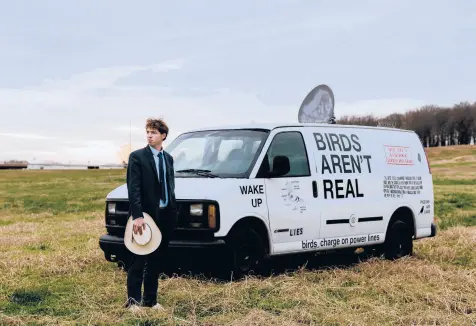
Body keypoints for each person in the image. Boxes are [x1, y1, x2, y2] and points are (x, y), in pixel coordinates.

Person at [124, 117, 177, 311]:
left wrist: (173, 212)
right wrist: (137, 216)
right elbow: (134, 189)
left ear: (163, 136)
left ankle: (150, 301)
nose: (149, 135)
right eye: (147, 132)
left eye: (153, 132)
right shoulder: (137, 157)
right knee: (139, 258)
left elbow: (170, 187)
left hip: (165, 215)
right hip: (144, 216)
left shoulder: (169, 159)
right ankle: (133, 302)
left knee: (156, 260)